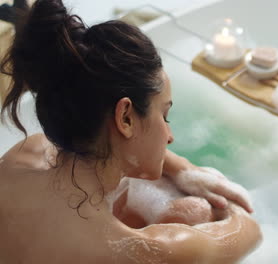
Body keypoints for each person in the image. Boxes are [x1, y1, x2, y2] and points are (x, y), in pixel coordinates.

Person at [0, 0, 262, 263]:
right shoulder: (130, 251)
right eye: (164, 115)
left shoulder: (23, 156)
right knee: (198, 212)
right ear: (125, 117)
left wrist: (181, 167)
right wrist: (223, 199)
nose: (170, 136)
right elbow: (250, 232)